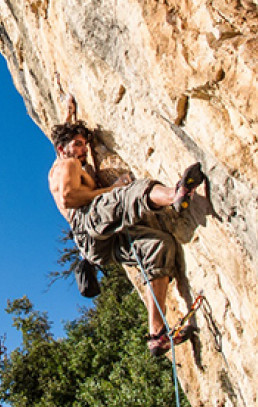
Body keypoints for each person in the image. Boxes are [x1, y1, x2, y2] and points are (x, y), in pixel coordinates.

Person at [48, 120, 205, 356]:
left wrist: (70, 109)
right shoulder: (67, 164)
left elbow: (65, 137)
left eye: (84, 144)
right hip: (86, 221)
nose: (83, 149)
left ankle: (157, 334)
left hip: (96, 246)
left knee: (158, 246)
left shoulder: (66, 164)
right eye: (78, 144)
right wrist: (111, 189)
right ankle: (175, 195)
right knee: (129, 192)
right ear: (62, 149)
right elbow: (68, 198)